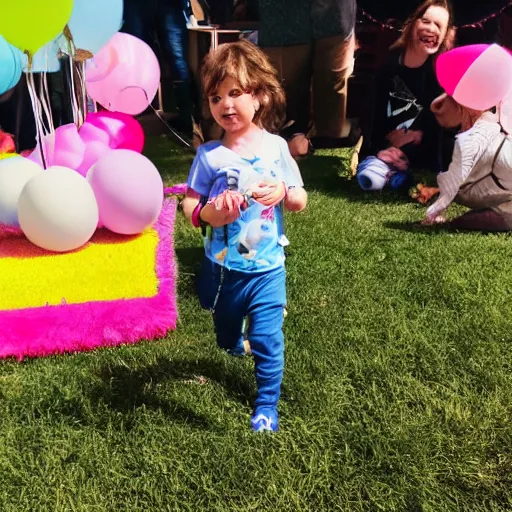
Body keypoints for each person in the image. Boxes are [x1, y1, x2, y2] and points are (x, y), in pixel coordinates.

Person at [181, 40, 307, 432]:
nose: (226, 105)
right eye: (216, 97)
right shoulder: (210, 156)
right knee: (224, 333)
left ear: (260, 95)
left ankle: (267, 403)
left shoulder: (276, 148)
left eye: (235, 93)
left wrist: (284, 192)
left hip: (269, 267)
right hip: (224, 269)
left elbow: (300, 197)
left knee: (267, 337)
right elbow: (189, 204)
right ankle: (233, 338)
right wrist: (209, 213)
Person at [364, 0, 455, 186]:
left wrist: (409, 143)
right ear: (412, 24)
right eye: (425, 21)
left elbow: (438, 132)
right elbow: (371, 117)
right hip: (386, 149)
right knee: (370, 177)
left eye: (438, 25)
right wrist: (384, 147)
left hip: (421, 157)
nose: (431, 28)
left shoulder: (442, 74)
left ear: (445, 35)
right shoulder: (389, 64)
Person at [423, 46, 512, 231]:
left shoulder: (472, 139)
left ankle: (500, 214)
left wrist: (431, 214)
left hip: (494, 177)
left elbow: (453, 186)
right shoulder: (499, 115)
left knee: (459, 190)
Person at [258, 0, 358, 156]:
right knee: (281, 99)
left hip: (335, 19)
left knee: (331, 102)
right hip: (281, 22)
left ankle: (325, 162)